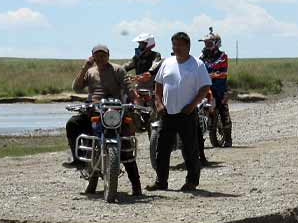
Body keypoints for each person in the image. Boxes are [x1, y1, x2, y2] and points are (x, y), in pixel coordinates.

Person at [65, 44, 142, 197]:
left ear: (108, 56)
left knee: (126, 145)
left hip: (114, 110)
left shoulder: (118, 70)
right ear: (92, 56)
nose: (100, 58)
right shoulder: (90, 71)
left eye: (103, 55)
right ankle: (78, 160)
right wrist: (84, 67)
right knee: (72, 123)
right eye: (97, 56)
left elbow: (128, 87)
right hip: (93, 109)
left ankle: (136, 186)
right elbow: (77, 87)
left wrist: (136, 103)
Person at [147, 32, 212, 192]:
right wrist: (159, 104)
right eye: (174, 45)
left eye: (180, 45)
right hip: (167, 113)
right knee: (161, 149)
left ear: (188, 46)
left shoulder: (197, 64)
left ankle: (192, 181)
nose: (176, 48)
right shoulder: (167, 63)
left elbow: (205, 88)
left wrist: (193, 105)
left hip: (187, 113)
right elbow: (158, 86)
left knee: (190, 149)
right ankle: (161, 181)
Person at [200, 27, 232, 147]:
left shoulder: (222, 56)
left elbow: (223, 72)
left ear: (216, 43)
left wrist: (214, 74)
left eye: (209, 43)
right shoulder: (201, 57)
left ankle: (228, 139)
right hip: (205, 87)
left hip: (219, 87)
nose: (207, 45)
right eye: (205, 43)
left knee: (223, 109)